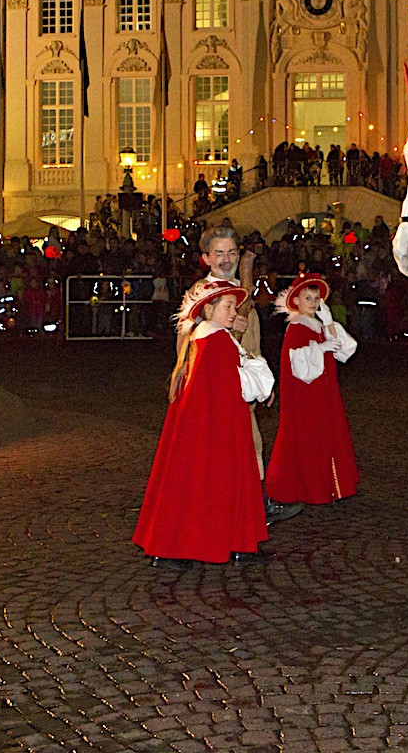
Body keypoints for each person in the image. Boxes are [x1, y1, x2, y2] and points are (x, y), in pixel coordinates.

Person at [134, 280, 274, 566]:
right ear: (209, 309)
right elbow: (242, 387)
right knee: (220, 481)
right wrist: (258, 372)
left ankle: (178, 544)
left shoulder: (201, 339)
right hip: (221, 427)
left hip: (202, 426)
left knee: (189, 481)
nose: (234, 312)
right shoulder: (216, 339)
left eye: (234, 306)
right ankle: (231, 543)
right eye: (228, 306)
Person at [176, 226, 303, 525]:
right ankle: (247, 510)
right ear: (206, 258)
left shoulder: (241, 290)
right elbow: (188, 341)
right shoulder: (201, 294)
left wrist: (264, 381)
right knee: (238, 447)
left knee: (252, 444)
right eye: (219, 253)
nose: (226, 259)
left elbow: (253, 342)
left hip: (246, 380)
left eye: (232, 252)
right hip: (221, 386)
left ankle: (252, 506)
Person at [265, 273, 360, 505]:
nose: (313, 302)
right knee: (308, 437)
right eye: (307, 297)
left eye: (316, 298)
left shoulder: (316, 324)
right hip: (307, 396)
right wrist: (319, 349)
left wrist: (328, 325)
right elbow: (298, 365)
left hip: (323, 392)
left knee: (324, 434)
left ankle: (327, 485)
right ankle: (308, 487)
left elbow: (343, 349)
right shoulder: (297, 327)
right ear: (296, 300)